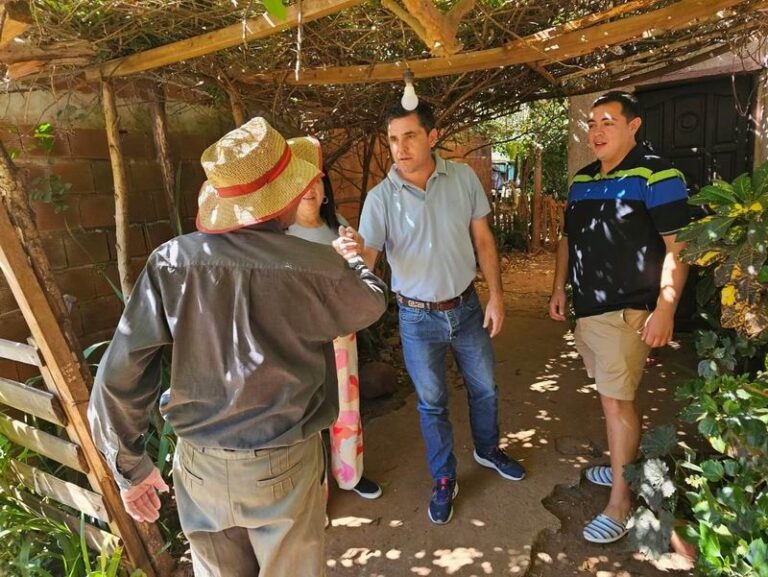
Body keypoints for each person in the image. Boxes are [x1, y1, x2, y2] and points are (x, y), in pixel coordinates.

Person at [88, 117, 387, 577]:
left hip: (198, 466)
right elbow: (369, 304)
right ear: (286, 197)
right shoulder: (316, 266)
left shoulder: (171, 262)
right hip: (283, 461)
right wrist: (355, 263)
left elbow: (120, 371)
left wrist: (131, 467)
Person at [334, 102, 526, 526]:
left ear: (432, 136)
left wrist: (497, 295)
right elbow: (369, 253)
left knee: (486, 389)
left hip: (467, 307)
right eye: (392, 140)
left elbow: (484, 240)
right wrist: (353, 256)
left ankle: (488, 449)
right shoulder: (380, 198)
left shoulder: (461, 179)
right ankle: (444, 477)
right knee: (432, 403)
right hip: (417, 318)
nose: (399, 148)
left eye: (409, 136)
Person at [548, 91, 689, 544]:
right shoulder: (582, 180)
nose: (597, 130)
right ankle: (621, 466)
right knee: (616, 397)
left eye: (608, 121)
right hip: (588, 312)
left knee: (616, 403)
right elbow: (569, 241)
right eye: (592, 122)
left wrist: (666, 307)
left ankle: (620, 501)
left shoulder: (658, 174)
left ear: (634, 126)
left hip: (627, 312)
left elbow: (678, 247)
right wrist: (557, 288)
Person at [286, 136, 382, 500]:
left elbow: (358, 277)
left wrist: (355, 251)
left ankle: (349, 474)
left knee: (346, 406)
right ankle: (315, 492)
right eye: (300, 181)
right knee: (308, 416)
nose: (309, 189)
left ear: (325, 188)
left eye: (316, 180)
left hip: (340, 334)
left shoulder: (337, 224)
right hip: (299, 339)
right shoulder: (279, 234)